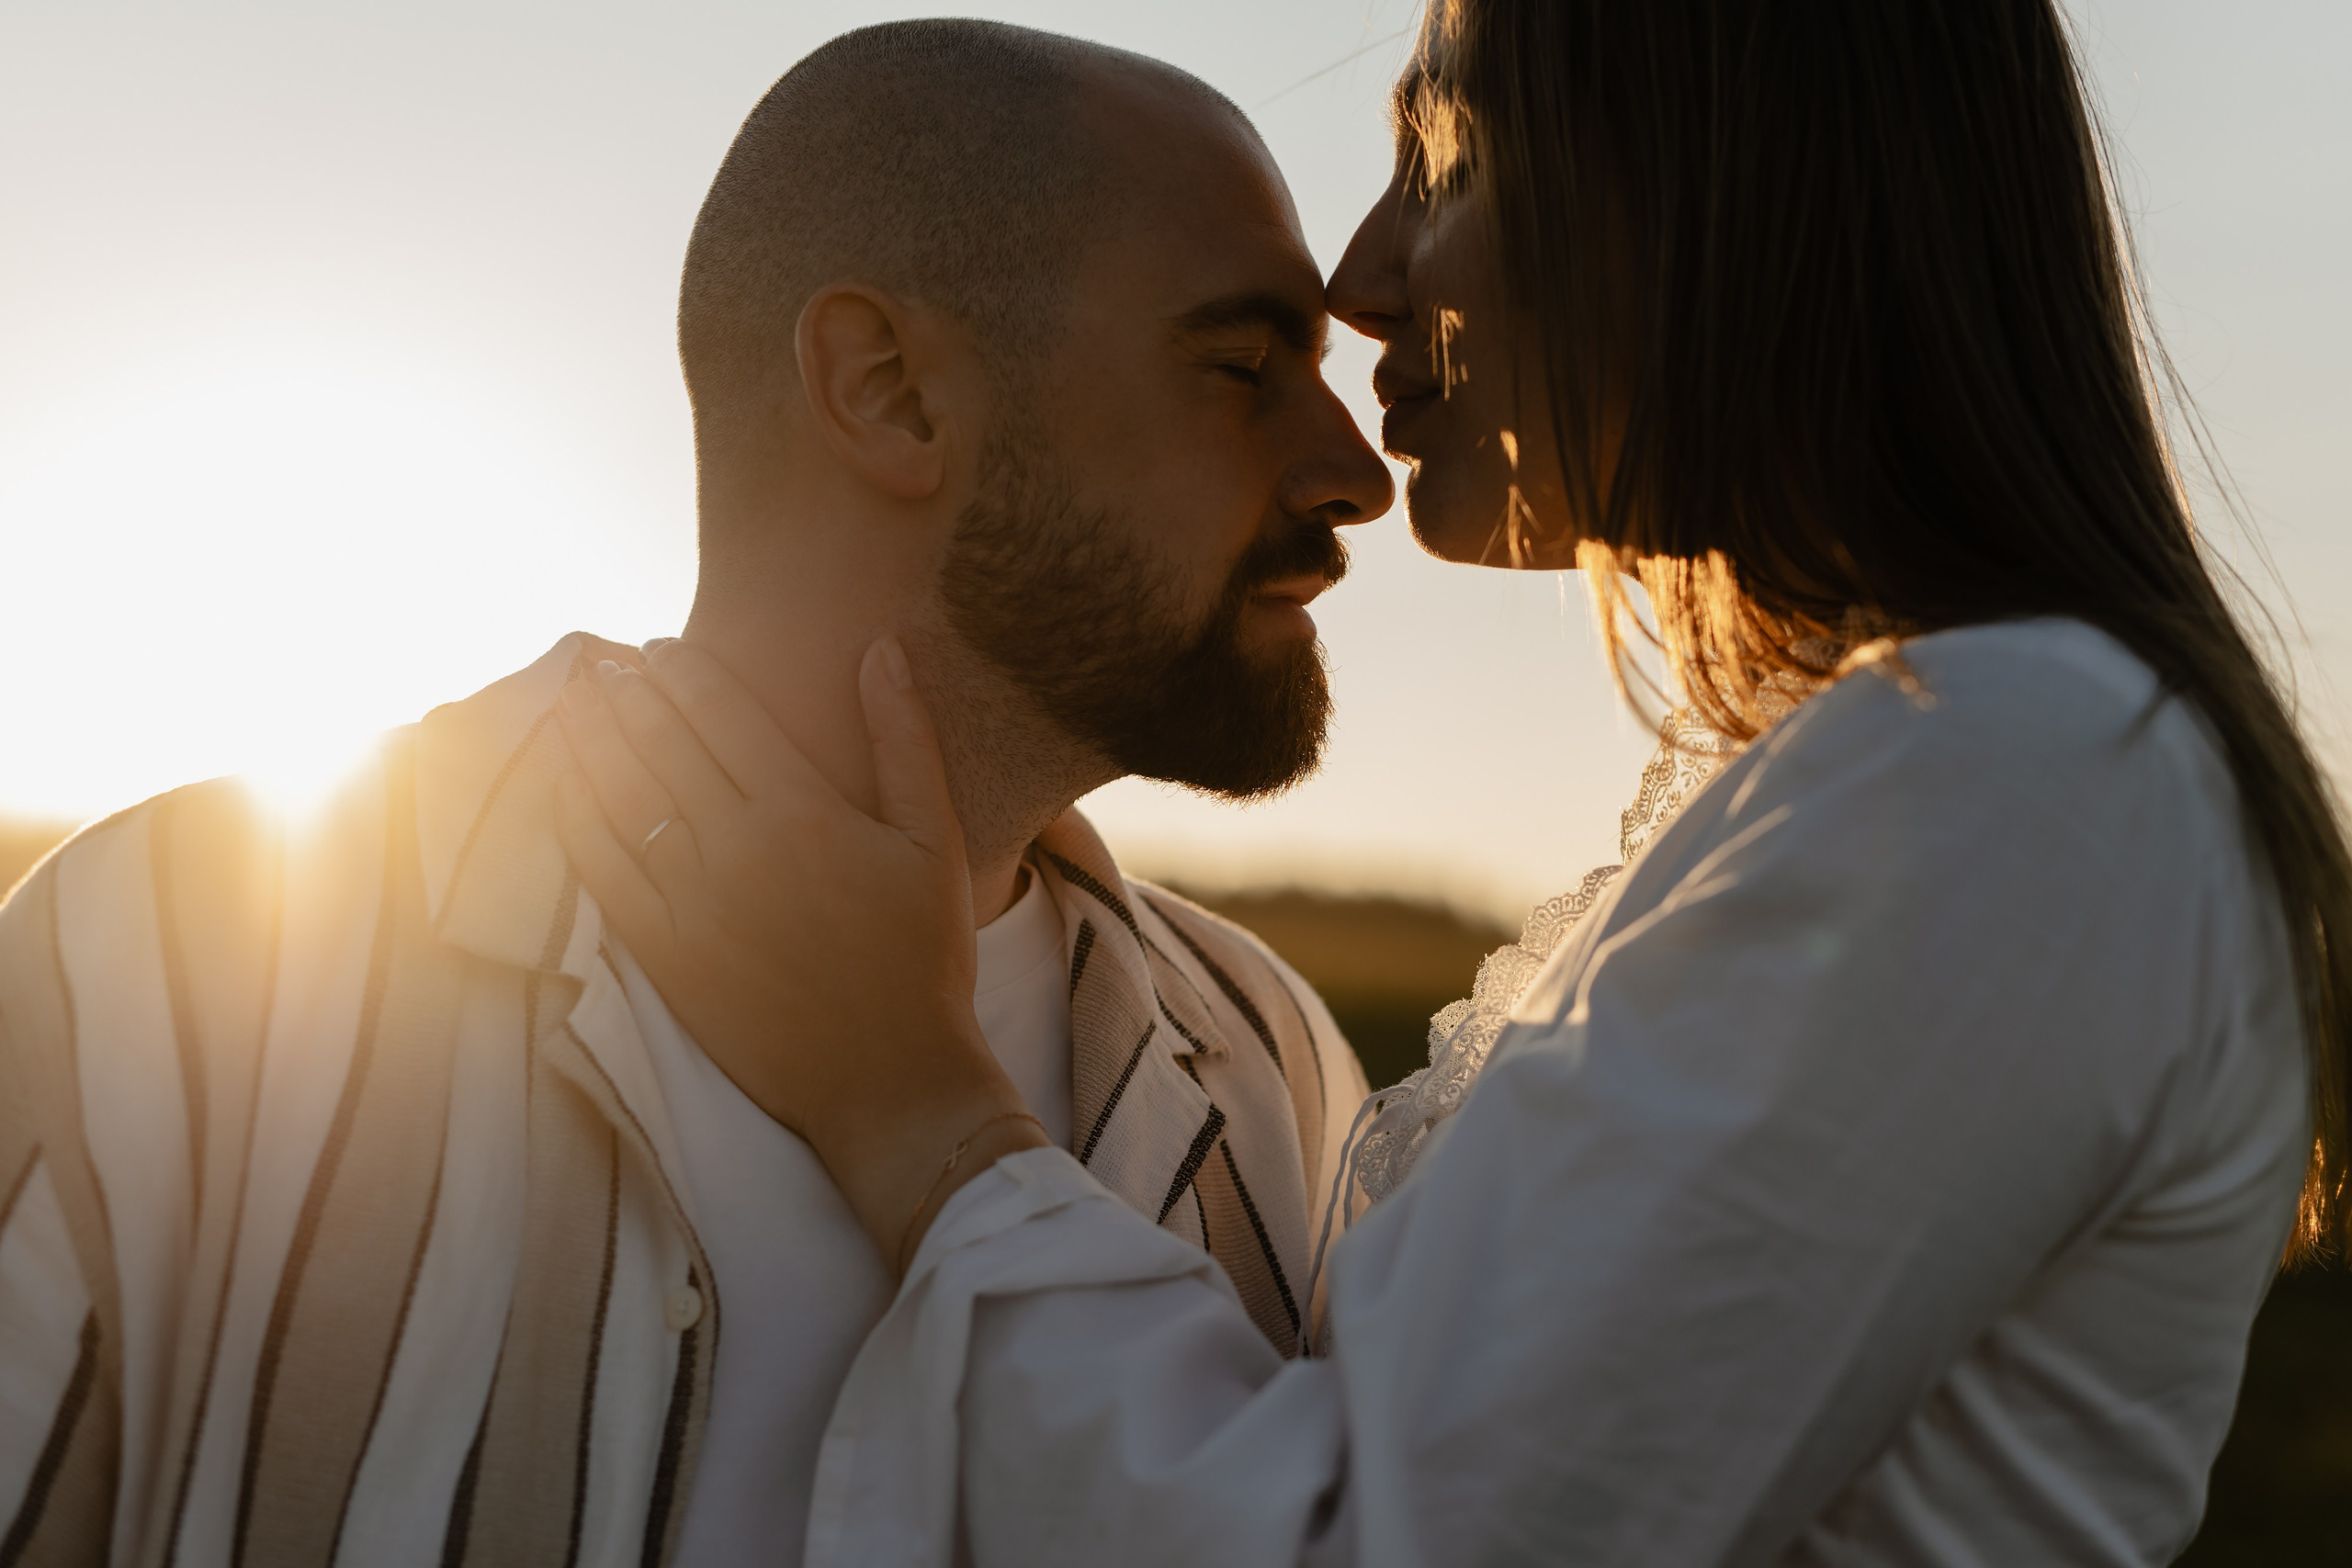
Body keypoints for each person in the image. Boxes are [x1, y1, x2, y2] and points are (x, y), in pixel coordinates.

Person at [560, 1, 2352, 1563]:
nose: (1360, 274)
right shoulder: (1926, 781)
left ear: (1715, 179)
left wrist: (915, 1111)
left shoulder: (2020, 782)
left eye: (1446, 149)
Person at [0, 21, 1391, 1565]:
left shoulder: (1280, 1076)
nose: (1354, 473)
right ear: (890, 393)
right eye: (1243, 368)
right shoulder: (149, 969)